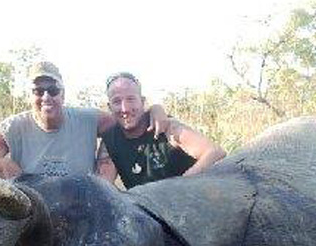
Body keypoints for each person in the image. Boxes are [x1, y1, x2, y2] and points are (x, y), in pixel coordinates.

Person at [0, 61, 169, 179]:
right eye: (38, 91)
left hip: (81, 210)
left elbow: (127, 119)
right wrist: (1, 163)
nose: (46, 97)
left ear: (63, 94)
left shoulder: (89, 119)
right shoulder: (14, 127)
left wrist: (155, 110)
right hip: (33, 215)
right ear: (30, 95)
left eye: (53, 90)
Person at [96, 72, 226, 189]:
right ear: (109, 107)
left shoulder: (167, 127)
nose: (125, 109)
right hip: (145, 206)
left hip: (189, 200)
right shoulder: (110, 141)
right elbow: (103, 186)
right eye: (117, 101)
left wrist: (179, 187)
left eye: (131, 99)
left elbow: (215, 152)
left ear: (142, 101)